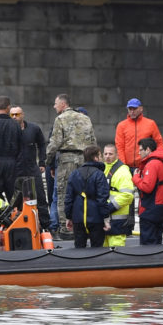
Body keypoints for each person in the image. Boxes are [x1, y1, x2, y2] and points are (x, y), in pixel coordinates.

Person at [46, 94, 95, 234]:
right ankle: (85, 224)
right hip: (85, 160)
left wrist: (47, 161)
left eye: (55, 104)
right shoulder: (86, 118)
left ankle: (66, 228)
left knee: (64, 192)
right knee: (85, 192)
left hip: (67, 160)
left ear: (63, 104)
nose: (54, 106)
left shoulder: (60, 119)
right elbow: (92, 141)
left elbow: (54, 143)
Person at [65, 145, 113, 248]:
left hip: (78, 218)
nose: (101, 158)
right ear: (95, 158)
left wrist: (68, 216)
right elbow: (102, 198)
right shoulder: (99, 174)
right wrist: (106, 218)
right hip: (96, 219)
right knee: (97, 248)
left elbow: (69, 198)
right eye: (100, 156)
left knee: (79, 248)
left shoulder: (74, 174)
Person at [11, 105, 50, 230]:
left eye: (17, 114)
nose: (14, 117)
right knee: (15, 200)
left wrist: (42, 162)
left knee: (41, 197)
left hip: (32, 168)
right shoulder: (8, 130)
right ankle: (17, 224)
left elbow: (42, 145)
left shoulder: (34, 128)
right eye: (12, 115)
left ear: (23, 115)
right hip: (15, 169)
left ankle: (46, 226)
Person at [132, 136, 163, 245]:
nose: (139, 153)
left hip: (150, 211)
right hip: (161, 209)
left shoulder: (152, 164)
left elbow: (147, 187)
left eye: (140, 150)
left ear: (148, 150)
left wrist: (135, 178)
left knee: (148, 244)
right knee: (157, 242)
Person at [115, 98, 163, 168]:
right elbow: (119, 147)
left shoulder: (151, 124)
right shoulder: (121, 126)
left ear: (141, 109)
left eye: (134, 109)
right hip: (127, 166)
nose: (132, 111)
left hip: (146, 165)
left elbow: (159, 143)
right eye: (130, 109)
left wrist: (159, 160)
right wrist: (123, 166)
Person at [102, 143, 136, 246]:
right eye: (105, 154)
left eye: (110, 154)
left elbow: (128, 195)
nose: (107, 156)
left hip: (117, 221)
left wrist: (109, 207)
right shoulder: (102, 169)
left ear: (117, 155)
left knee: (116, 249)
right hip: (104, 219)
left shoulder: (123, 171)